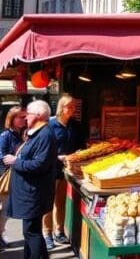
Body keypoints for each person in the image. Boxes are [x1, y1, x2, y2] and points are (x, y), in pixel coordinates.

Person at [3, 99, 58, 259]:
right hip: (30, 192)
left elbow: (39, 165)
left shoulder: (45, 135)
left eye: (28, 114)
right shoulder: (38, 133)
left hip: (34, 193)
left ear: (39, 115)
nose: (26, 118)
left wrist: (16, 161)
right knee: (30, 231)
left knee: (31, 232)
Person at [43, 94, 85, 250]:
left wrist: (79, 154)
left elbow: (81, 145)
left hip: (67, 170)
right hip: (50, 168)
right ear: (61, 107)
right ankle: (47, 234)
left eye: (74, 106)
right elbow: (43, 148)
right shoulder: (50, 125)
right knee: (47, 203)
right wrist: (58, 156)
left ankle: (59, 231)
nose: (73, 109)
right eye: (70, 106)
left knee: (60, 202)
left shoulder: (76, 125)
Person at [0, 106, 26, 249]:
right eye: (21, 117)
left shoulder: (23, 134)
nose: (24, 119)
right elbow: (1, 155)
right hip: (5, 176)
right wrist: (15, 159)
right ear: (12, 119)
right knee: (3, 208)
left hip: (15, 177)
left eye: (25, 117)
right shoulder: (5, 136)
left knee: (6, 209)